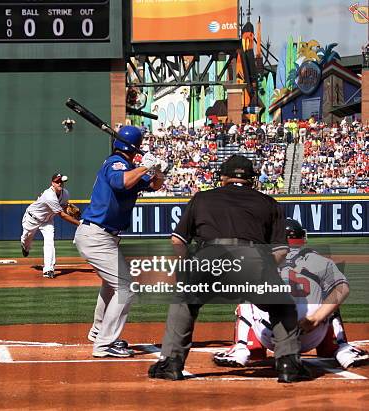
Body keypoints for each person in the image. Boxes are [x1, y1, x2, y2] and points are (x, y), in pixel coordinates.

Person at [149, 155, 309, 383]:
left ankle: (171, 363)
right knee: (282, 306)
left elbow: (177, 241)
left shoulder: (201, 198)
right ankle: (288, 365)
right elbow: (281, 251)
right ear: (252, 180)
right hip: (252, 260)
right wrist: (265, 272)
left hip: (208, 258)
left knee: (184, 303)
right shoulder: (268, 202)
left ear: (223, 177)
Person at [213, 218, 369, 369]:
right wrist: (315, 319)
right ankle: (342, 348)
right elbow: (343, 288)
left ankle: (242, 348)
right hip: (312, 334)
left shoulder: (261, 260)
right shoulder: (319, 260)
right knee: (330, 297)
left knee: (246, 294)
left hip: (270, 335)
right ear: (301, 238)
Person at [74, 125, 164, 358]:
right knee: (126, 288)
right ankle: (104, 344)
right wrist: (146, 166)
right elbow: (120, 183)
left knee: (111, 285)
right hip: (97, 235)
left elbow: (153, 185)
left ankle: (97, 332)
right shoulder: (116, 163)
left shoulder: (128, 167)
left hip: (103, 237)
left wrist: (159, 171)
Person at [20, 173, 80, 279]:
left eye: (61, 181)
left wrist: (69, 209)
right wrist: (79, 224)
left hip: (47, 221)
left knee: (49, 242)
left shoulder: (65, 193)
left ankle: (48, 270)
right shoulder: (49, 195)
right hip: (32, 218)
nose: (59, 183)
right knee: (26, 239)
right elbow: (62, 215)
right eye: (57, 181)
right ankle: (25, 246)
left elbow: (65, 206)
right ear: (52, 183)